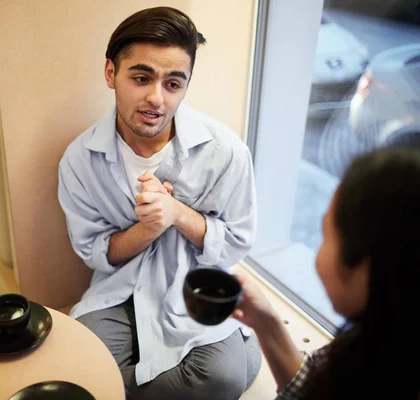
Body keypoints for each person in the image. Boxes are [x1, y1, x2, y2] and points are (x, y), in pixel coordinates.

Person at [58, 6, 260, 400]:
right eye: (141, 78)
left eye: (173, 84)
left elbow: (237, 241)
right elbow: (96, 253)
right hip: (118, 291)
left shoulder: (226, 153)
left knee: (219, 376)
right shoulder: (79, 159)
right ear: (110, 73)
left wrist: (178, 215)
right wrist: (147, 228)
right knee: (81, 364)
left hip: (194, 288)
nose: (156, 99)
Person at [232, 147, 420, 399]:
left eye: (326, 234)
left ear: (364, 268)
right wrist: (266, 323)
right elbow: (314, 388)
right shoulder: (376, 344)